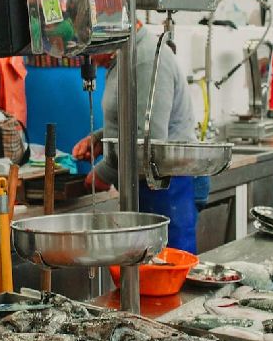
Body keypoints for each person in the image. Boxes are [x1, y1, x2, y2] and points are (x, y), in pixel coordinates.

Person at [72, 23, 199, 253]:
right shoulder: (126, 55)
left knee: (167, 271)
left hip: (164, 187)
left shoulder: (146, 59)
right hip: (144, 186)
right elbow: (130, 118)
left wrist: (105, 172)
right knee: (142, 274)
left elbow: (146, 142)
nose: (90, 60)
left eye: (89, 50)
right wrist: (102, 139)